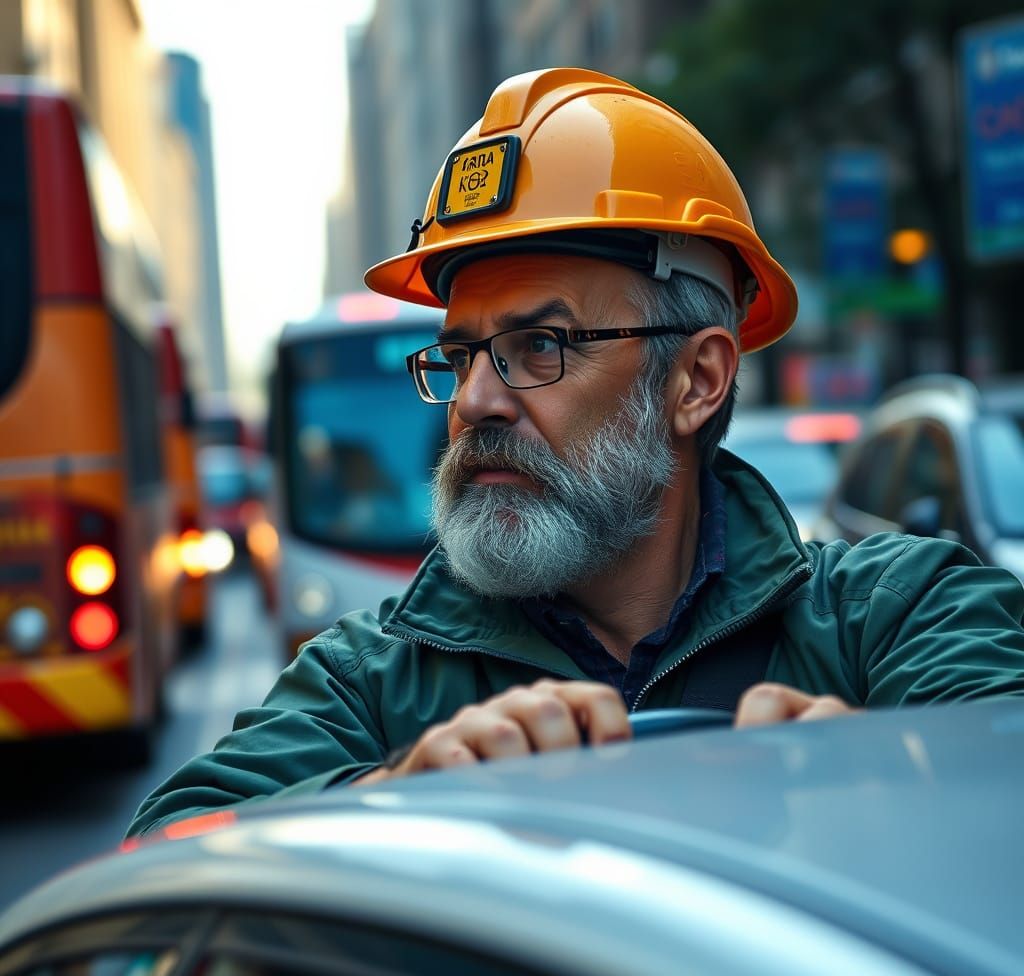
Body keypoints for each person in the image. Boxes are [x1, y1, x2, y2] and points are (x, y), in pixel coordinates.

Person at [129, 68, 1024, 837]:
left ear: (697, 380)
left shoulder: (896, 615)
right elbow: (169, 853)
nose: (474, 401)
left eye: (540, 346)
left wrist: (886, 783)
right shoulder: (369, 680)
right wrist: (394, 798)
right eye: (460, 356)